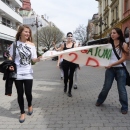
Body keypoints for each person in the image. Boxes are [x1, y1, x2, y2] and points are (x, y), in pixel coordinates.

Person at [8, 25, 41, 123]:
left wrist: (39, 59)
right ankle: (22, 112)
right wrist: (10, 65)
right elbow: (11, 57)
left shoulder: (31, 45)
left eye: (29, 32)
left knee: (28, 93)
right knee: (20, 94)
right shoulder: (14, 44)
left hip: (28, 73)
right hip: (17, 73)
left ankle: (30, 105)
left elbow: (33, 59)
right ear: (20, 32)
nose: (28, 34)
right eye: (26, 31)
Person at [95, 28, 129, 114]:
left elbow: (124, 58)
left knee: (121, 89)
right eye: (111, 33)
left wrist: (111, 64)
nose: (112, 34)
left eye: (114, 33)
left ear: (119, 34)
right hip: (110, 70)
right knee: (106, 87)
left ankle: (124, 107)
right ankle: (100, 100)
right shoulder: (109, 45)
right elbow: (104, 56)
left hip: (120, 69)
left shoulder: (124, 45)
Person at [53, 32, 77, 97]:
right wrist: (58, 63)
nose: (70, 37)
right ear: (67, 37)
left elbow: (77, 55)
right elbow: (60, 54)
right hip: (65, 62)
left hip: (72, 62)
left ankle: (69, 91)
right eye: (69, 36)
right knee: (66, 77)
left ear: (72, 37)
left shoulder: (74, 45)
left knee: (71, 77)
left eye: (71, 36)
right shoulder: (63, 45)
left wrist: (78, 64)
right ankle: (65, 86)